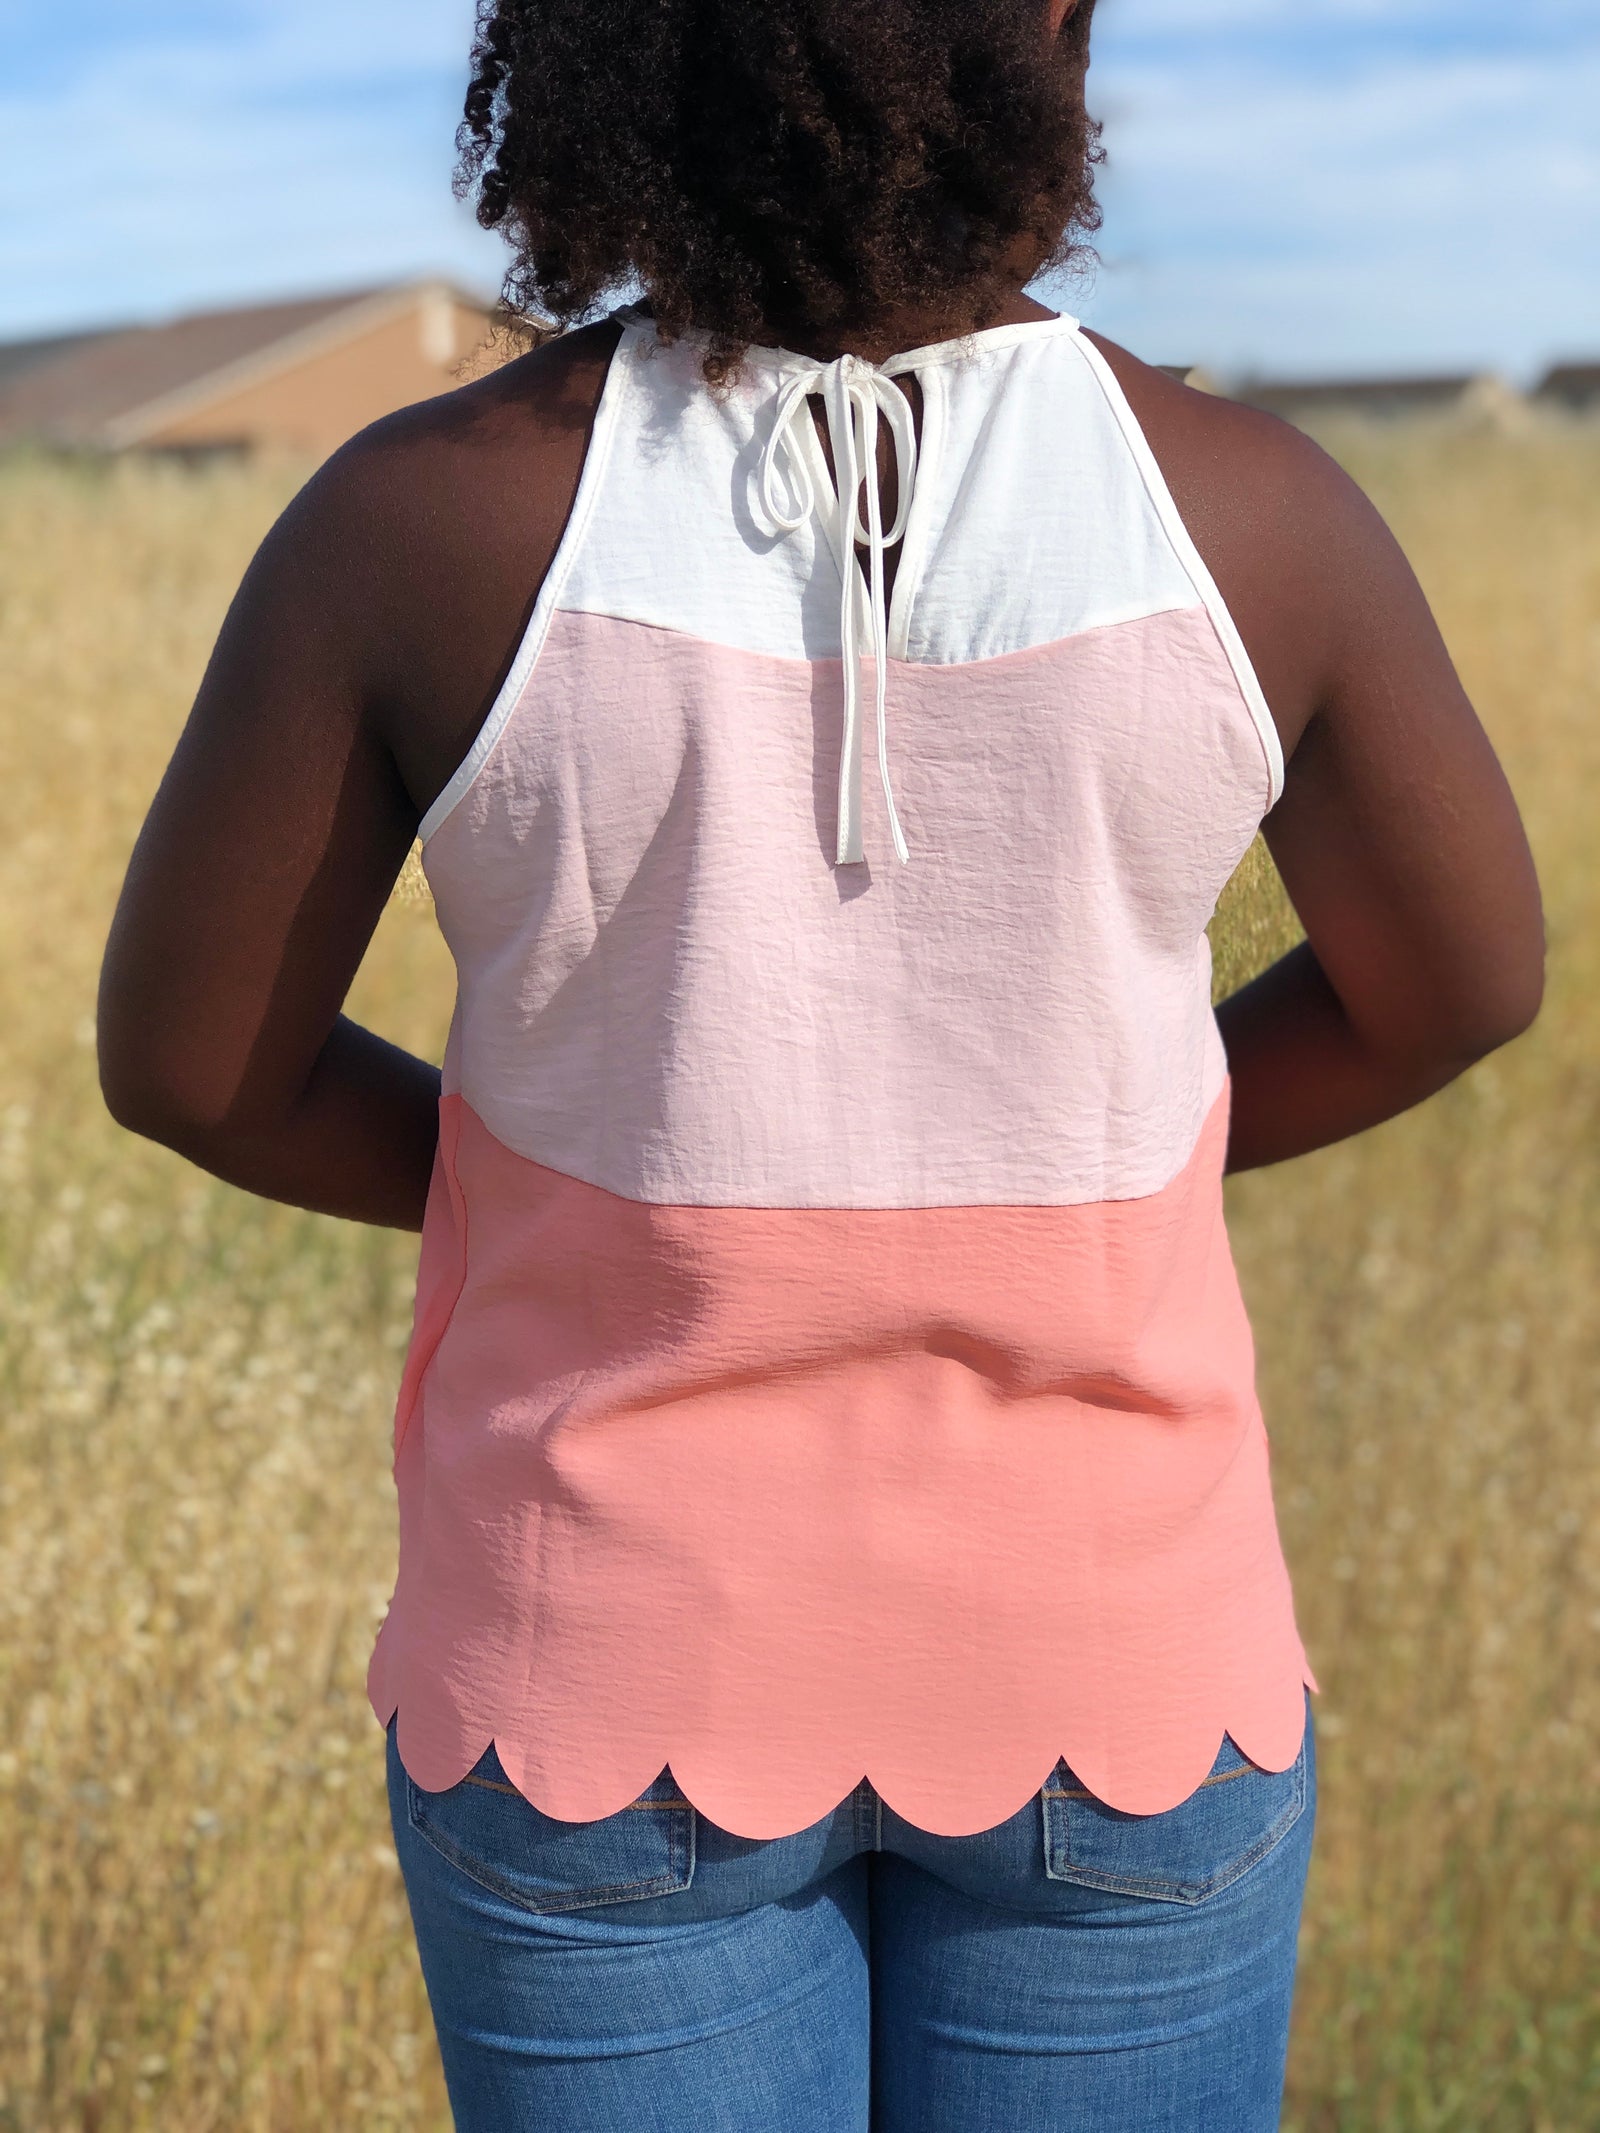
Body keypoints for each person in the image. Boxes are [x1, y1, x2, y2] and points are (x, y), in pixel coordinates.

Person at [96, 0, 1545, 2125]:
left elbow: (193, 1062)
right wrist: (1087, 1169)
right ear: (1049, 30)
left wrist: (575, 1187)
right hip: (1115, 1661)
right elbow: (1458, 979)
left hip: (599, 1667)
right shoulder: (1252, 511)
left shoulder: (414, 524)